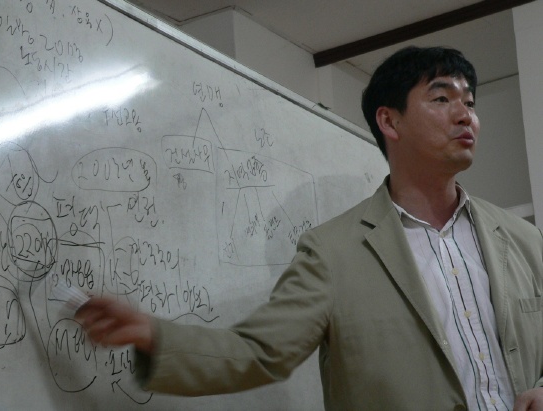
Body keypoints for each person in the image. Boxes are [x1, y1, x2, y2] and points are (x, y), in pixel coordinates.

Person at [76, 46, 543, 410]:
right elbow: (260, 352)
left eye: (470, 102)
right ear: (389, 120)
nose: (465, 115)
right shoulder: (333, 251)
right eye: (442, 98)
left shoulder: (522, 239)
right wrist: (153, 336)